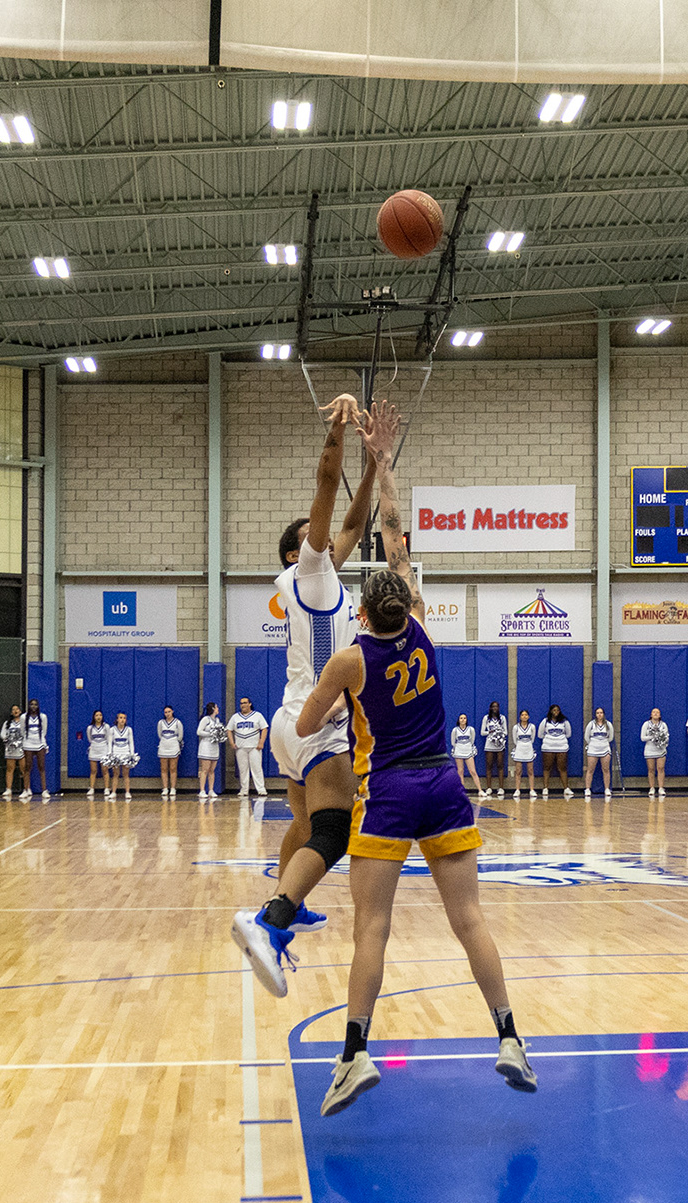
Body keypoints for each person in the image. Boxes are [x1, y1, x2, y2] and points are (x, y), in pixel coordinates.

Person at [230, 402, 536, 1113]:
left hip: (373, 774)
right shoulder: (418, 623)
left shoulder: (350, 655)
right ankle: (510, 1036)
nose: (339, 540)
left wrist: (364, 456)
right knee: (469, 919)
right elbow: (386, 532)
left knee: (351, 885)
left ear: (363, 612)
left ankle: (332, 1016)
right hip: (444, 783)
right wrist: (381, 460)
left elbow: (357, 519)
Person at [261, 390, 379, 922]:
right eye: (315, 533)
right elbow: (328, 484)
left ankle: (286, 899)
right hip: (319, 718)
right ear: (297, 552)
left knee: (305, 824)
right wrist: (339, 427)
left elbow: (353, 527)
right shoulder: (307, 570)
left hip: (289, 721)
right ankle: (275, 916)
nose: (327, 536)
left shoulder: (323, 573)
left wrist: (373, 466)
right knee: (334, 830)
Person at [229, 696, 269, 798]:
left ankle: (261, 789)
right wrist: (232, 742)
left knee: (257, 769)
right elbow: (229, 729)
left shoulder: (257, 715)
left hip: (254, 747)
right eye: (241, 703)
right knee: (243, 770)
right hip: (240, 747)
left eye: (245, 703)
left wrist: (261, 742)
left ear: (250, 704)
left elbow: (264, 728)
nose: (243, 705)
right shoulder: (235, 717)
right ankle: (244, 790)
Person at [539, 704, 572, 798]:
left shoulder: (565, 721)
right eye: (554, 710)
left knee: (562, 768)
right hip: (548, 747)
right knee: (547, 767)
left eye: (557, 710)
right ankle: (545, 788)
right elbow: (540, 735)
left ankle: (566, 788)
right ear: (551, 711)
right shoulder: (545, 721)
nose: (556, 712)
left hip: (562, 747)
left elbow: (568, 734)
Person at [23, 699, 51, 798]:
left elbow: (44, 731)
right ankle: (26, 789)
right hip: (28, 743)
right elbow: (22, 731)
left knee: (41, 766)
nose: (33, 706)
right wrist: (25, 742)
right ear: (29, 706)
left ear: (38, 706)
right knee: (27, 766)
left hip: (39, 743)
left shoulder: (43, 717)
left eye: (35, 704)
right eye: (31, 704)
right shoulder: (24, 717)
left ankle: (44, 790)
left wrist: (43, 743)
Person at [197, 703, 226, 799]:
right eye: (217, 707)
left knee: (212, 770)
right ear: (213, 708)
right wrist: (211, 733)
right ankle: (202, 790)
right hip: (206, 746)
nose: (218, 709)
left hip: (214, 746)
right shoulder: (205, 719)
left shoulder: (217, 720)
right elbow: (199, 731)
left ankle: (211, 790)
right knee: (204, 770)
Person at [480, 701, 508, 798]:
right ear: (491, 708)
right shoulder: (486, 718)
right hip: (489, 744)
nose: (495, 708)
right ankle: (489, 787)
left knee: (500, 765)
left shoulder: (502, 718)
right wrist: (490, 732)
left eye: (497, 706)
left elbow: (506, 732)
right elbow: (482, 732)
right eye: (493, 706)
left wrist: (499, 734)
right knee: (489, 765)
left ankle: (501, 788)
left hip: (499, 744)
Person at [584, 708, 614, 797]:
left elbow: (611, 737)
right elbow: (586, 737)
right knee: (590, 769)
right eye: (597, 713)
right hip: (593, 749)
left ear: (604, 714)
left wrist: (603, 743)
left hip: (605, 749)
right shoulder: (591, 724)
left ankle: (607, 789)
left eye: (601, 713)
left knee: (606, 769)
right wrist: (593, 744)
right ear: (595, 714)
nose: (599, 714)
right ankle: (587, 789)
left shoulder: (608, 724)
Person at [107, 712, 137, 800]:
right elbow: (110, 742)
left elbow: (131, 742)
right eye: (120, 718)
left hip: (126, 753)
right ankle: (113, 792)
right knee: (115, 774)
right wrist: (110, 754)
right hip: (116, 753)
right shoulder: (112, 730)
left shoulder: (129, 729)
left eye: (124, 718)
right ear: (117, 719)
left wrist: (132, 754)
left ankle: (127, 792)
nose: (122, 720)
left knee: (126, 774)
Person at [640, 708, 670, 797]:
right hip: (649, 750)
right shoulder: (646, 724)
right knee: (651, 769)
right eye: (654, 712)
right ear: (651, 715)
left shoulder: (663, 725)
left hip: (661, 750)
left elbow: (667, 736)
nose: (655, 713)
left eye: (657, 712)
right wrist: (653, 737)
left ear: (660, 715)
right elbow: (642, 738)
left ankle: (661, 788)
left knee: (661, 768)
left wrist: (661, 740)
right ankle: (652, 788)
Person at [156, 706, 184, 798]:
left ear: (172, 712)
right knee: (163, 768)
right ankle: (165, 788)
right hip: (163, 746)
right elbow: (159, 734)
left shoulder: (177, 722)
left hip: (174, 747)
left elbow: (180, 736)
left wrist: (175, 742)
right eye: (166, 712)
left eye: (169, 711)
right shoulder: (161, 723)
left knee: (173, 768)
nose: (167, 714)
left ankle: (173, 788)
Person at [0, 705, 26, 799]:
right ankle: (8, 789)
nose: (15, 711)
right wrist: (6, 739)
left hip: (21, 748)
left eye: (17, 709)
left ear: (20, 711)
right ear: (11, 712)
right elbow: (2, 734)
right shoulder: (7, 723)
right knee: (10, 769)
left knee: (23, 769)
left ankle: (26, 789)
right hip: (10, 749)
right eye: (13, 710)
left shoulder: (24, 722)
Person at [509, 710, 538, 797]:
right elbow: (514, 740)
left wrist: (528, 745)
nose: (524, 716)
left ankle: (532, 789)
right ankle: (517, 789)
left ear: (528, 716)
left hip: (529, 749)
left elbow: (532, 739)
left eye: (526, 715)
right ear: (520, 717)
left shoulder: (532, 727)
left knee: (530, 770)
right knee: (518, 770)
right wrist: (520, 745)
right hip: (519, 749)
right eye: (522, 715)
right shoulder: (516, 727)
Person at [451, 713, 482, 794]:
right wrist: (458, 747)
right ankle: (462, 791)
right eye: (461, 718)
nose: (463, 720)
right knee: (460, 771)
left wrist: (468, 747)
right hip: (458, 751)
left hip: (468, 751)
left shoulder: (471, 729)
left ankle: (480, 790)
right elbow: (453, 742)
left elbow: (472, 740)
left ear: (466, 720)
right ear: (458, 720)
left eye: (464, 718)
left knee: (473, 771)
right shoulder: (455, 730)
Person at [84, 709, 111, 796]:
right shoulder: (90, 728)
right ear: (94, 717)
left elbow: (108, 738)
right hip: (94, 749)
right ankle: (92, 788)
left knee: (105, 770)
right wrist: (94, 745)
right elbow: (90, 739)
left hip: (103, 749)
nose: (98, 717)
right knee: (93, 770)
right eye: (97, 715)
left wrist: (108, 751)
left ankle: (106, 788)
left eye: (100, 715)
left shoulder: (106, 726)